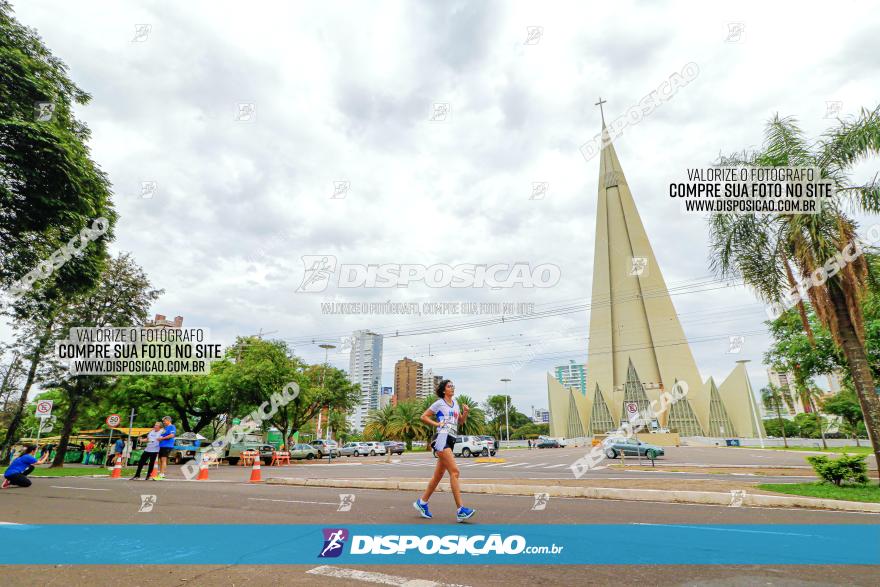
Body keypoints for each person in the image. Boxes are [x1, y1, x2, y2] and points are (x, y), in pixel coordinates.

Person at [413, 379, 475, 522]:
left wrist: (465, 412)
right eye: (449, 386)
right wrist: (437, 423)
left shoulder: (456, 404)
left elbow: (460, 421)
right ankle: (460, 510)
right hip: (441, 437)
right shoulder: (439, 403)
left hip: (451, 439)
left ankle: (422, 503)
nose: (452, 388)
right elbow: (424, 416)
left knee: (438, 475)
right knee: (455, 472)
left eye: (453, 385)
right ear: (443, 390)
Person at [156, 416, 176, 480]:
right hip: (162, 445)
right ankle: (161, 473)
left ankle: (161, 475)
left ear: (168, 420)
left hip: (167, 445)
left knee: (163, 459)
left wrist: (162, 438)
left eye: (164, 421)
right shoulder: (165, 428)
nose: (163, 422)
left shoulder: (172, 427)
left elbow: (172, 435)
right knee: (161, 460)